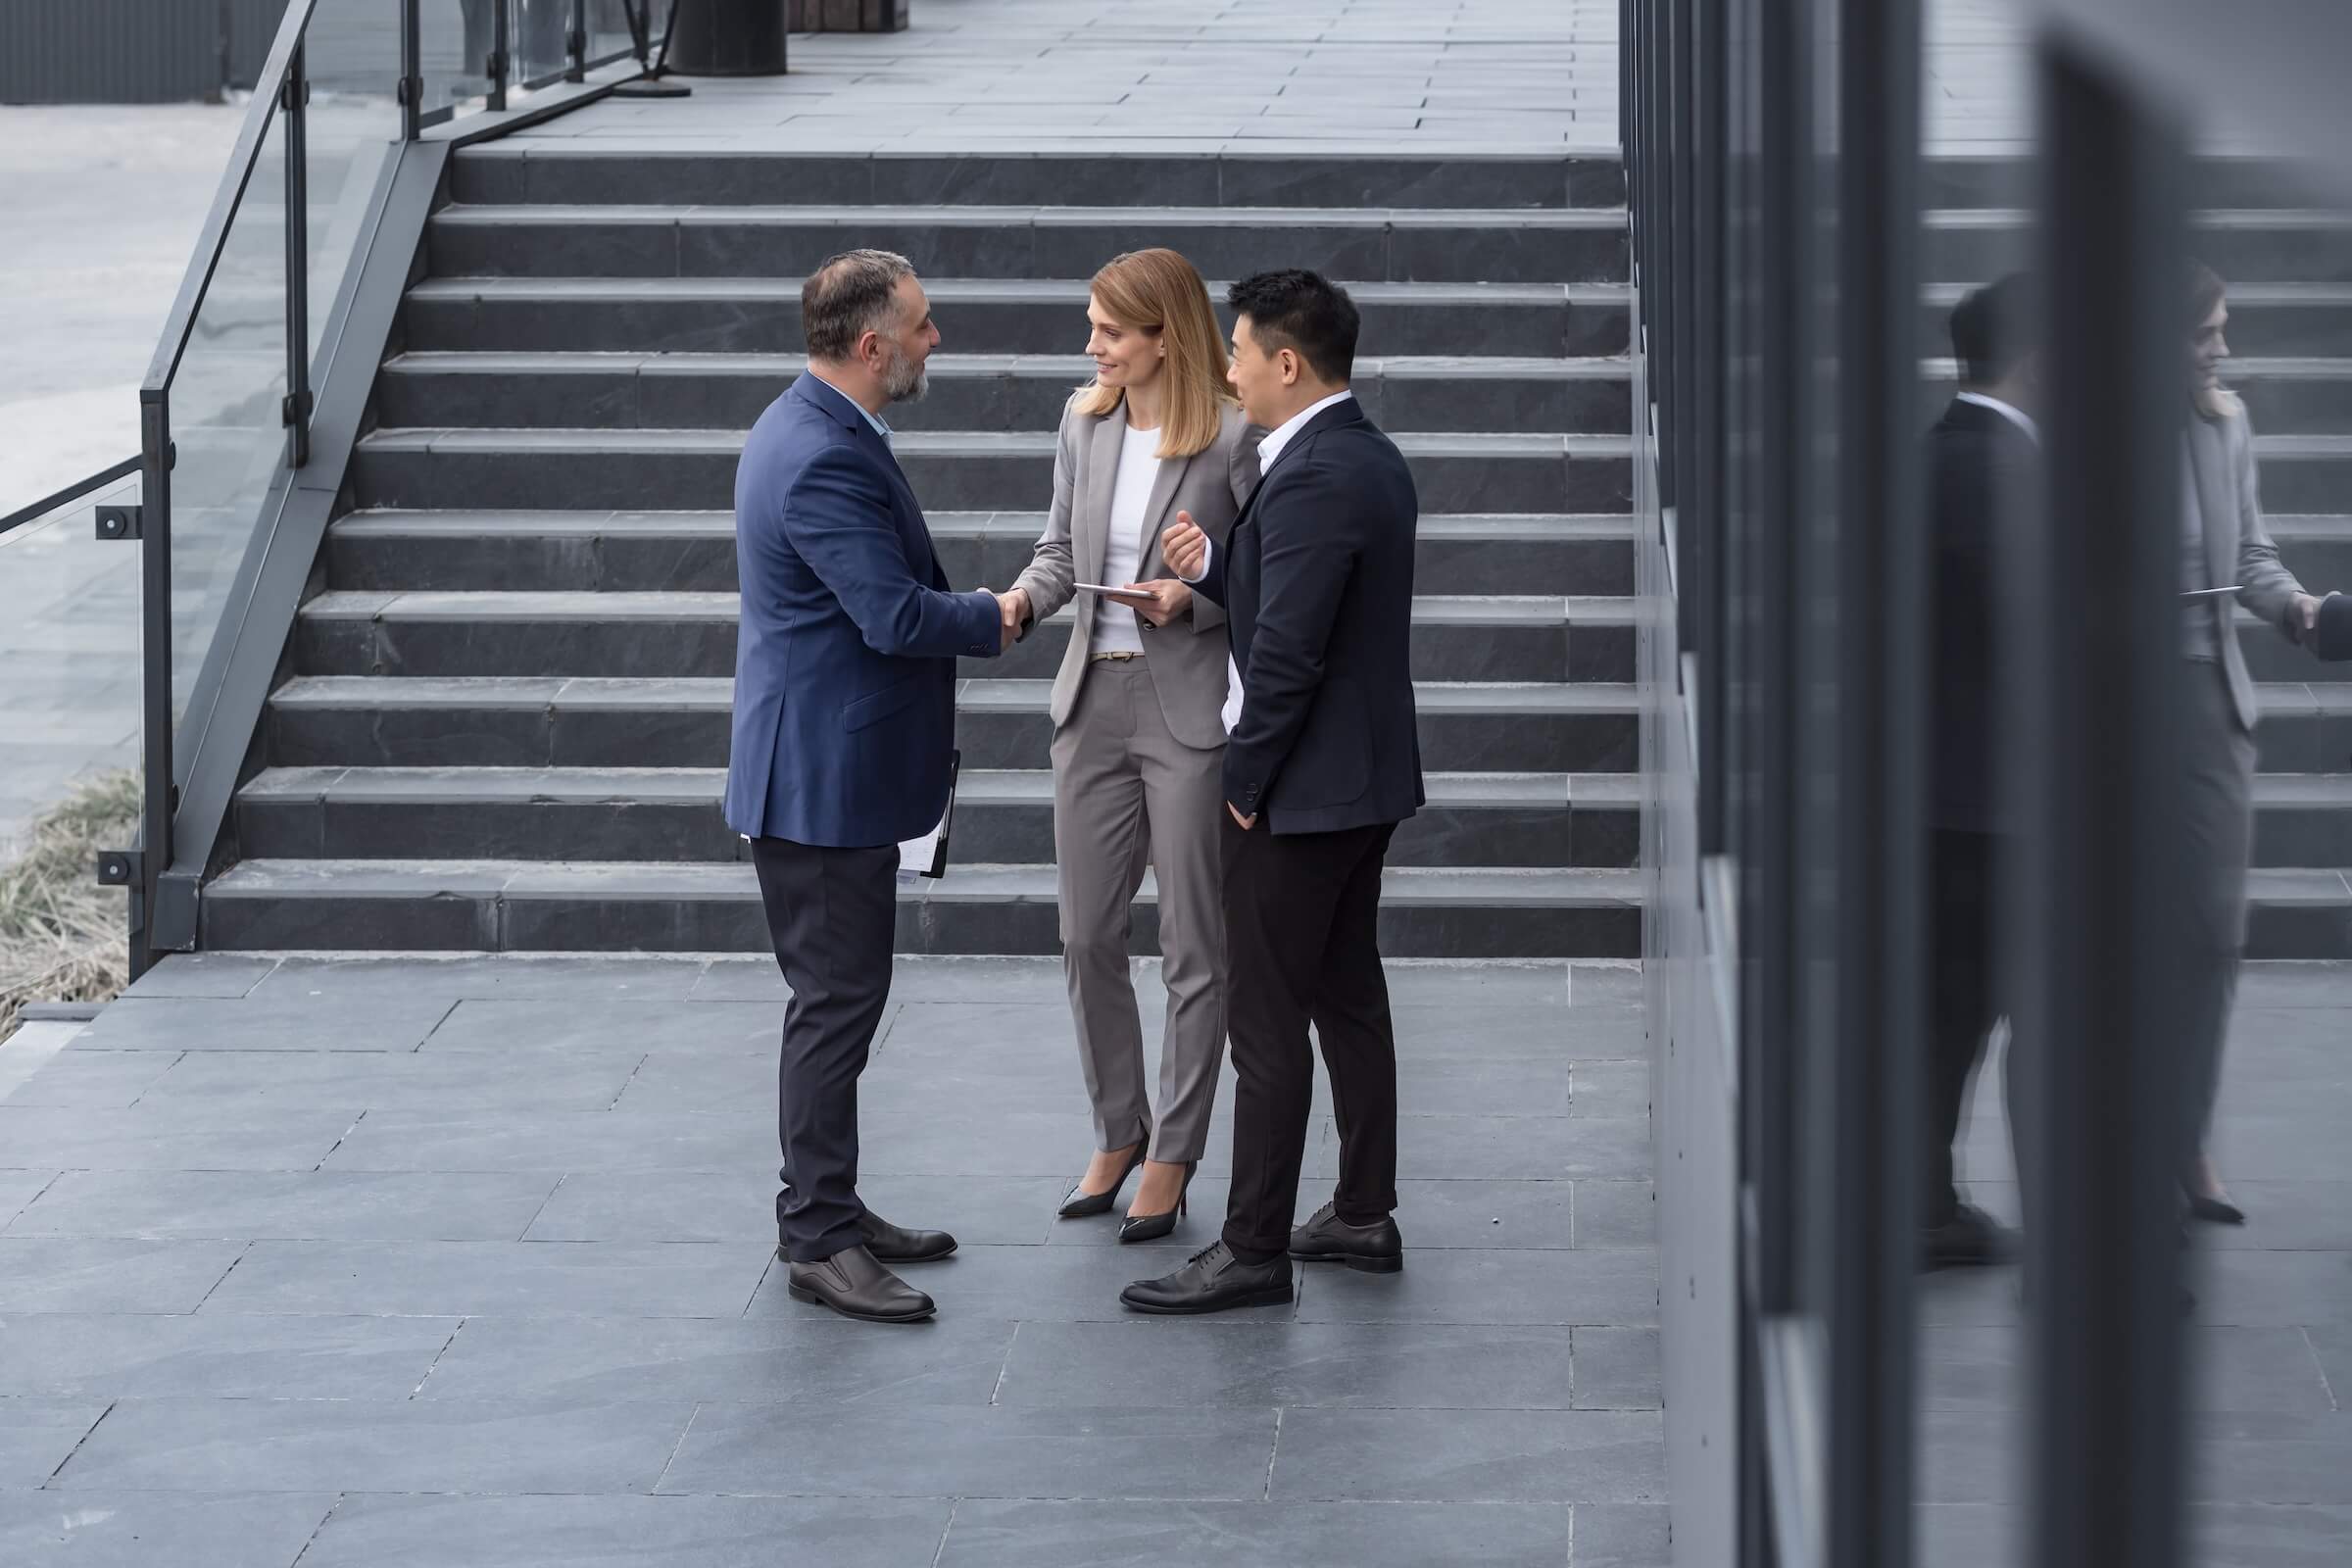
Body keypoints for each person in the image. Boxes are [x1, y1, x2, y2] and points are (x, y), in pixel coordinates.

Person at [1122, 269, 1424, 1315]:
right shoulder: (1360, 455)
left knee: (1264, 1020)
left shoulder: (1312, 475)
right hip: (1356, 784)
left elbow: (1289, 656)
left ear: (1287, 363)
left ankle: (1253, 1247)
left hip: (1299, 794)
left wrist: (1242, 787)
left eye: (1240, 352)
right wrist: (1216, 568)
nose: (1231, 371)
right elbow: (1299, 600)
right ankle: (1362, 1210)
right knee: (1346, 994)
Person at [723, 249, 1015, 1324]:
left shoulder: (809, 425)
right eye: (922, 325)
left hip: (821, 771)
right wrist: (1001, 613)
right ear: (870, 343)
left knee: (841, 1001)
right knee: (835, 1007)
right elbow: (891, 615)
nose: (936, 340)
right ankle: (816, 1237)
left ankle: (832, 1206)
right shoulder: (820, 456)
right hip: (820, 786)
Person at [999, 250, 1264, 1243]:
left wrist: (1191, 599)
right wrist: (1023, 601)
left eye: (1110, 331)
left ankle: (1173, 1154)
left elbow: (1260, 577)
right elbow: (1060, 552)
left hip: (1186, 705)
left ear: (1164, 336)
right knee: (1085, 936)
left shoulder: (1232, 436)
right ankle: (1119, 1128)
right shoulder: (1084, 421)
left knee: (1193, 943)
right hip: (1091, 700)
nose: (1093, 347)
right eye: (1093, 327)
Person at [2175, 260, 2324, 1226]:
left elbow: (2253, 555)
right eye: (2205, 332)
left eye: (2222, 328)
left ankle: (2186, 1138)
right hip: (2100, 707)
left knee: (2210, 939)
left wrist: (2297, 606)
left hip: (2206, 704)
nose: (2222, 349)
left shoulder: (2225, 423)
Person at [1920, 273, 2041, 1269]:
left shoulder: (1943, 452)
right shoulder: (1998, 470)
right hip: (1996, 800)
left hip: (1950, 790)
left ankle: (1923, 1203)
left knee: (1949, 1012)